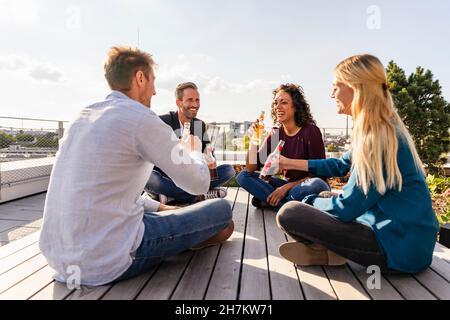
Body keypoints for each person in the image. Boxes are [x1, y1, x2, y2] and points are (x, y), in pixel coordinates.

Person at [39, 46, 234, 286]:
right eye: (153, 81)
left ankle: (181, 230)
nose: (153, 91)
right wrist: (193, 150)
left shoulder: (81, 117)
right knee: (222, 213)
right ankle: (182, 238)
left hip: (59, 258)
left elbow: (108, 192)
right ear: (140, 78)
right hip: (107, 258)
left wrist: (165, 210)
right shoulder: (141, 118)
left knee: (202, 219)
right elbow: (199, 183)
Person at [276, 54, 439, 274]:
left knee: (291, 213)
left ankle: (327, 250)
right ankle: (329, 253)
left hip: (397, 250)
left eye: (335, 87)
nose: (331, 93)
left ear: (355, 87)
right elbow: (339, 165)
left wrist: (310, 201)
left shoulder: (378, 139)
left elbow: (346, 208)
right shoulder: (381, 128)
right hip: (408, 241)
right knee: (325, 197)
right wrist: (290, 163)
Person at [236, 83, 330, 211]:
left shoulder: (311, 131)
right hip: (288, 187)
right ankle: (290, 207)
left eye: (283, 102)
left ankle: (276, 203)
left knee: (315, 185)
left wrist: (284, 189)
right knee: (243, 176)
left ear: (295, 106)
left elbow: (319, 175)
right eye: (275, 103)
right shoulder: (276, 134)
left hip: (308, 185)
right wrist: (253, 141)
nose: (277, 107)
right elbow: (251, 167)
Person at [145, 82, 236, 204]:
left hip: (191, 177)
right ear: (178, 102)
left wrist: (211, 161)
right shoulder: (162, 121)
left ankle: (174, 196)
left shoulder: (199, 125)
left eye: (197, 100)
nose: (195, 104)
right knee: (149, 177)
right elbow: (153, 158)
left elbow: (206, 154)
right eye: (190, 100)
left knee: (228, 170)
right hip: (167, 177)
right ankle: (199, 195)